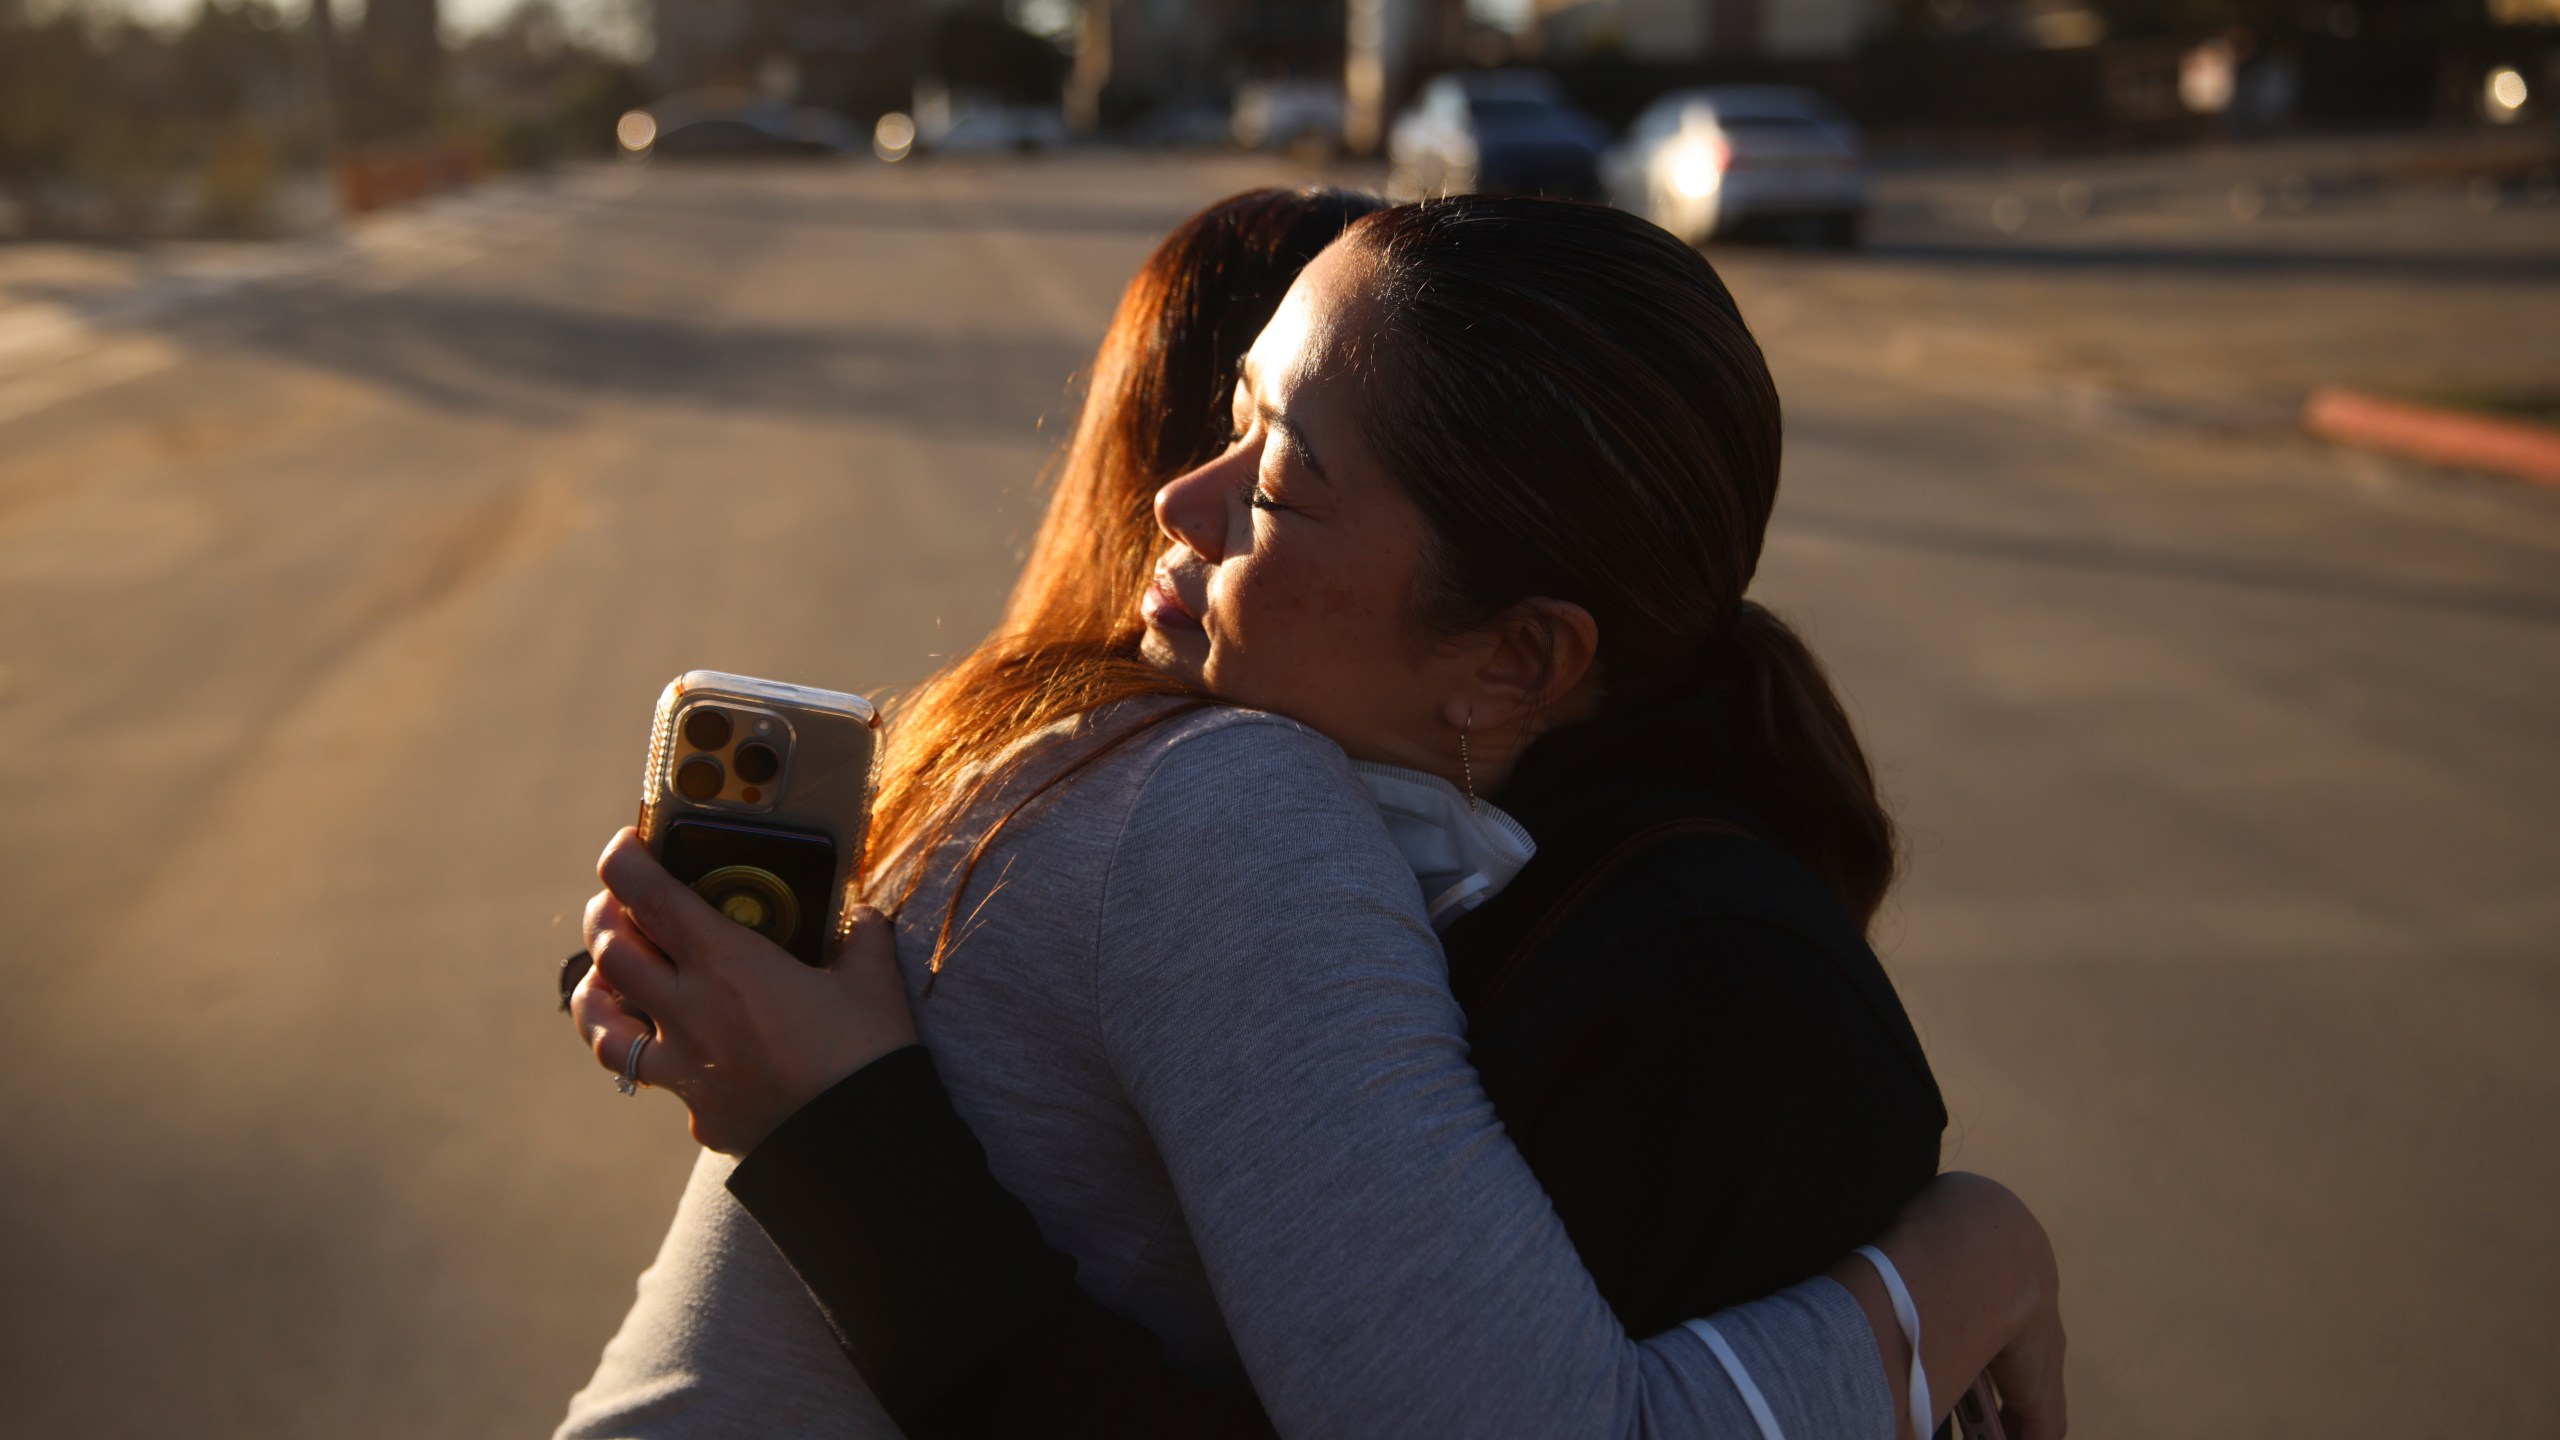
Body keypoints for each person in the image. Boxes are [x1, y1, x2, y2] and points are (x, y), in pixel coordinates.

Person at [561, 194, 2067, 1440]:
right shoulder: (1222, 803)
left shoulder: (1131, 758)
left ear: (1522, 657)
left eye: (1274, 484)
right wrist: (1959, 1271)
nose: (1180, 503)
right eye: (1229, 423)